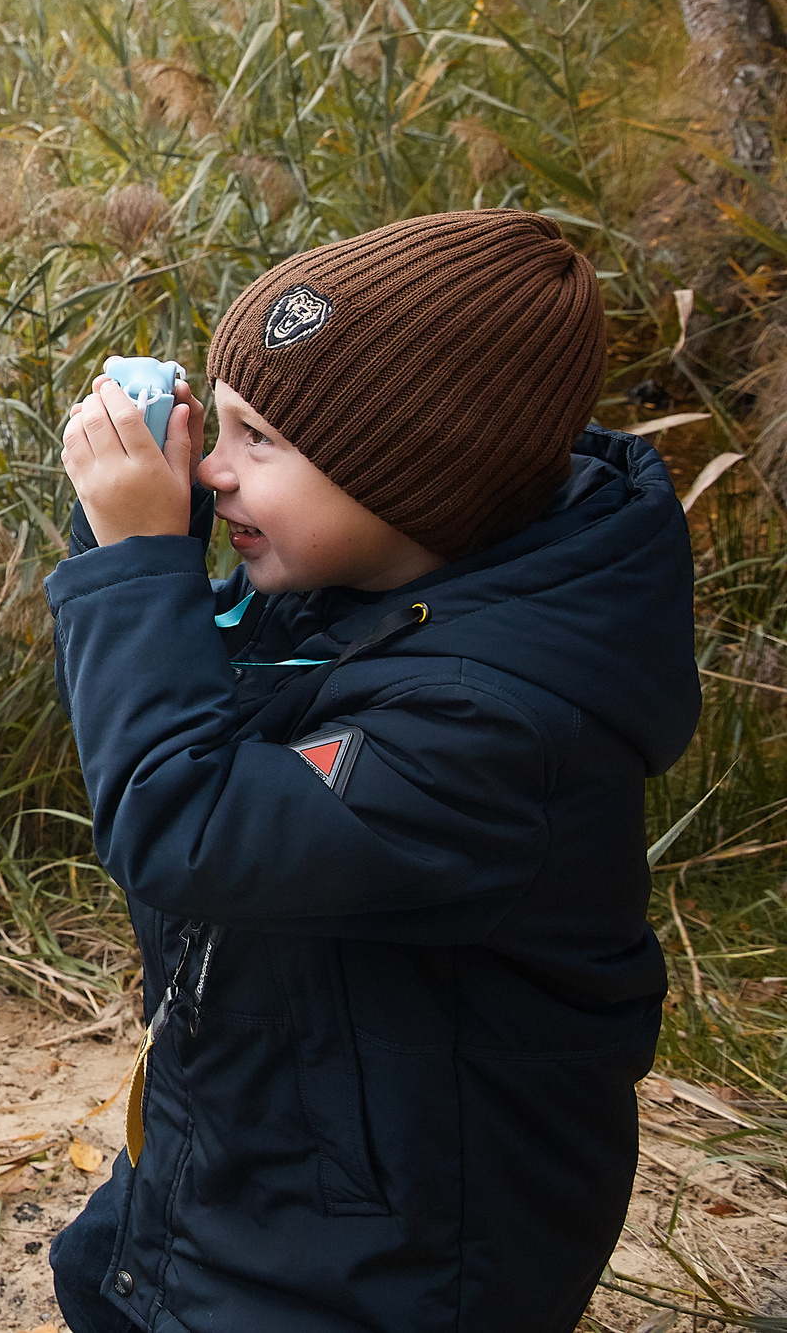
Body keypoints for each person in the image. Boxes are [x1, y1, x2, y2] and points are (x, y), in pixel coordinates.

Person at [46, 208, 698, 1331]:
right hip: (257, 1151)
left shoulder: (493, 725)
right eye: (220, 427)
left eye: (259, 442)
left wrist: (147, 560)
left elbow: (184, 824)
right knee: (102, 1287)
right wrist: (134, 533)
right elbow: (184, 689)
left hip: (390, 1256)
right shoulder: (355, 594)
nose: (214, 466)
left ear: (418, 475)